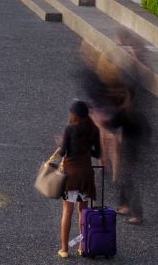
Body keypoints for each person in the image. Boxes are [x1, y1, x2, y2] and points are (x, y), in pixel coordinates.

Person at [56, 100, 101, 258]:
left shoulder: (70, 129)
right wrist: (86, 150)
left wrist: (61, 143)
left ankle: (64, 250)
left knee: (67, 211)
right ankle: (82, 247)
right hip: (86, 177)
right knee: (83, 211)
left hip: (71, 177)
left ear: (74, 115)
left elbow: (62, 153)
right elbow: (98, 153)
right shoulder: (94, 130)